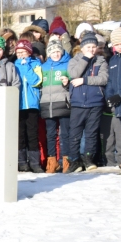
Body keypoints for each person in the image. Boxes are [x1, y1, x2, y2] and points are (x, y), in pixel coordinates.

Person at [66, 31, 109, 172]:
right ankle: (74, 160)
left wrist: (84, 81)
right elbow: (74, 74)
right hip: (78, 102)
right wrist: (85, 59)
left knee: (91, 132)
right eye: (88, 47)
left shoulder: (101, 61)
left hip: (95, 102)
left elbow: (103, 79)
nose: (91, 49)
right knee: (75, 133)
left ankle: (88, 158)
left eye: (93, 47)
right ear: (82, 47)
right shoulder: (74, 61)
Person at [40, 39, 72, 172]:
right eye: (53, 52)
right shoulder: (43, 67)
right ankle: (52, 161)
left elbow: (73, 78)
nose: (56, 54)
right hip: (47, 104)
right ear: (49, 53)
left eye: (58, 51)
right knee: (50, 134)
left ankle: (66, 161)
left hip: (63, 102)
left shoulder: (68, 64)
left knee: (65, 134)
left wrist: (67, 81)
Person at [14, 40, 44, 173]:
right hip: (19, 105)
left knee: (32, 134)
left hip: (32, 104)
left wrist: (26, 67)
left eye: (23, 52)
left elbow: (36, 81)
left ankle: (35, 162)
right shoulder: (13, 65)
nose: (21, 55)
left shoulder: (36, 64)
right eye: (18, 53)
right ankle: (22, 162)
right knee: (20, 134)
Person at [105, 27, 121, 170]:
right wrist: (110, 96)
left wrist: (120, 95)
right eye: (116, 44)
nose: (119, 46)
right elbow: (110, 82)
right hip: (120, 106)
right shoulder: (113, 60)